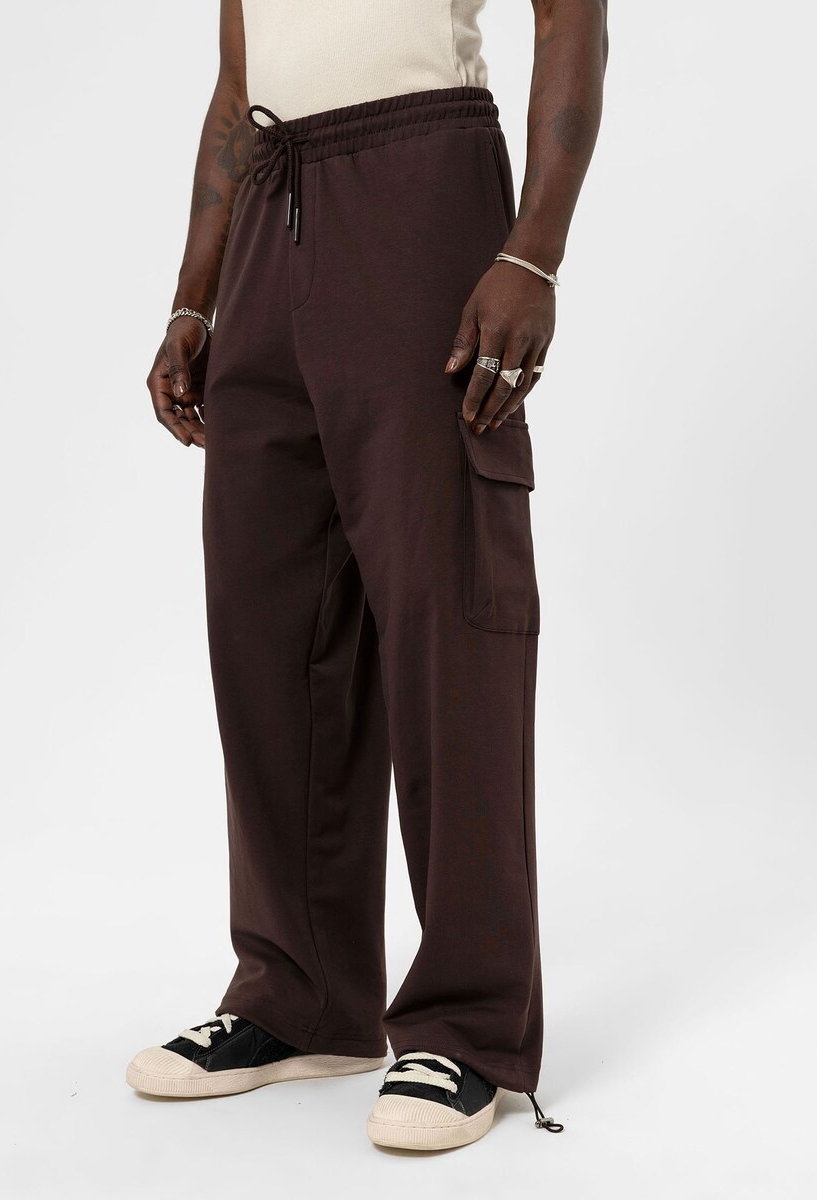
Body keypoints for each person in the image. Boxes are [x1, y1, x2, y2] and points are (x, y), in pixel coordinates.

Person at [128, 0, 607, 1152]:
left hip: (420, 182)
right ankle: (300, 996)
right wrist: (195, 295)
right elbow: (237, 82)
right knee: (267, 617)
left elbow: (572, 18)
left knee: (448, 614)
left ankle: (472, 1025)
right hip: (271, 203)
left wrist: (532, 251)